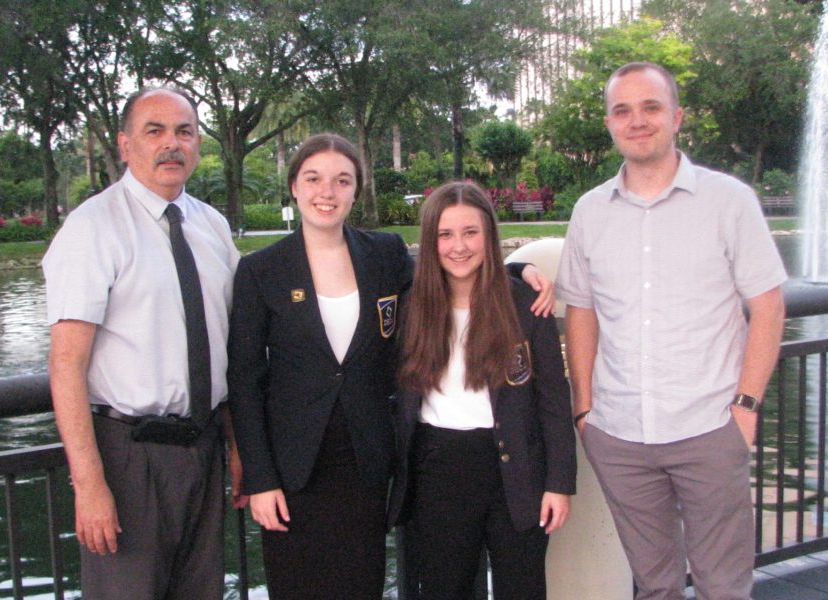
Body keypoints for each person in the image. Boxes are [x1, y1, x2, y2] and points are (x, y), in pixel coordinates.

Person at [228, 133, 553, 599]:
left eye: (342, 181)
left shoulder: (381, 254)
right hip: (293, 468)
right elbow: (244, 381)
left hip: (366, 463)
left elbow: (450, 267)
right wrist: (261, 480)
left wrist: (516, 271)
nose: (328, 192)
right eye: (314, 179)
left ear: (355, 190)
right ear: (294, 187)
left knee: (363, 584)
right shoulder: (261, 271)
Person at [555, 62, 787, 600]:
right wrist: (585, 411)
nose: (637, 120)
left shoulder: (729, 201)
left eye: (650, 107)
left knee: (722, 587)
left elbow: (768, 306)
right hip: (618, 434)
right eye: (622, 110)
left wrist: (745, 409)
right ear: (610, 123)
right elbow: (582, 312)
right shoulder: (590, 212)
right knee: (654, 587)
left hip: (709, 427)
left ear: (677, 116)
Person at [43, 87, 244, 599]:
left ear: (198, 144)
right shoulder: (92, 229)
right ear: (125, 145)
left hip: (204, 450)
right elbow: (67, 365)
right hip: (128, 458)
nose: (171, 144)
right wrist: (90, 486)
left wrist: (239, 447)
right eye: (154, 131)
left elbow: (228, 347)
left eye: (184, 132)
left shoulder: (212, 226)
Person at [388, 181, 576, 600]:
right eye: (446, 234)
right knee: (444, 589)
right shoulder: (410, 305)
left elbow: (553, 400)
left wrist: (559, 483)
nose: (459, 246)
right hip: (437, 469)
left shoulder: (525, 304)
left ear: (489, 236)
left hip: (517, 470)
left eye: (471, 232)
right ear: (431, 239)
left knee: (522, 589)